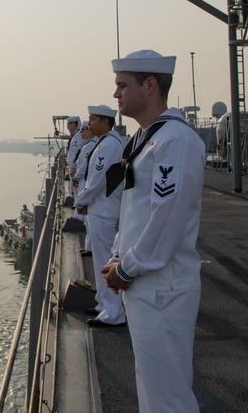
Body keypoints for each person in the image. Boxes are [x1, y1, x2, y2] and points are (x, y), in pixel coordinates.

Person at [101, 49, 205, 413]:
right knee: (152, 387)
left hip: (163, 285)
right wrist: (117, 255)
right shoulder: (147, 138)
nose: (116, 94)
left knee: (169, 398)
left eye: (122, 85)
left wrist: (126, 268)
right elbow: (136, 210)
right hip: (145, 284)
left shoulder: (174, 141)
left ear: (149, 85)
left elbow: (167, 216)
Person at [76, 104, 126, 328]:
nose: (89, 124)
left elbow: (98, 179)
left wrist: (82, 200)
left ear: (105, 122)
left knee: (105, 261)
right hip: (99, 208)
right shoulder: (104, 143)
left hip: (103, 210)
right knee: (100, 259)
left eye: (92, 120)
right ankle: (103, 304)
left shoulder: (108, 146)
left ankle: (114, 312)